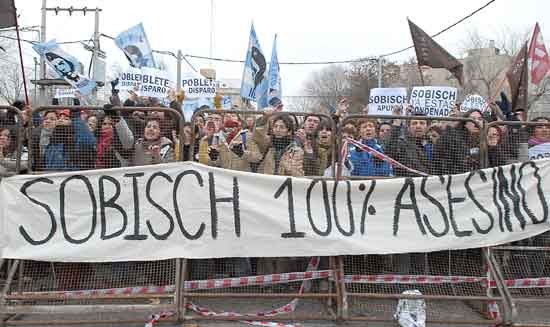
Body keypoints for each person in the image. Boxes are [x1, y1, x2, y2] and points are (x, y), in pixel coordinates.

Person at [432, 109, 484, 175]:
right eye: (473, 119)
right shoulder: (452, 138)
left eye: (480, 119)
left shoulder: (481, 139)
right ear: (465, 123)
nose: (477, 122)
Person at [385, 107, 432, 177]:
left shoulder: (432, 144)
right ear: (408, 127)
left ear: (427, 127)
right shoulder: (402, 143)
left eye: (422, 123)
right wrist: (397, 123)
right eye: (414, 123)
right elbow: (390, 153)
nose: (418, 126)